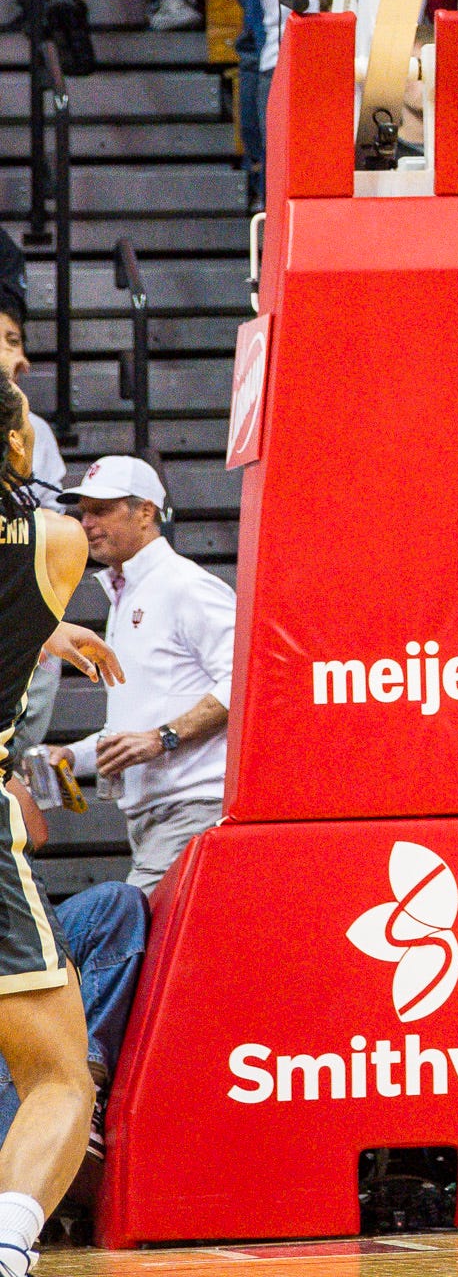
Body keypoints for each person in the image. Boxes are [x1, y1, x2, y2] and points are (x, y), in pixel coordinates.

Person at [0, 383, 123, 1276]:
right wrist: (41, 629)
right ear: (18, 447)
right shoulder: (61, 540)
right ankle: (6, 1248)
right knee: (59, 1077)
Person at [55, 454, 231, 894]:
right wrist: (73, 757)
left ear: (146, 512)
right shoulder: (130, 590)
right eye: (82, 512)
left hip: (194, 808)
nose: (87, 523)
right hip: (158, 815)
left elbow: (248, 681)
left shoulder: (183, 585)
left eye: (101, 510)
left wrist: (163, 737)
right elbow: (134, 732)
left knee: (136, 944)